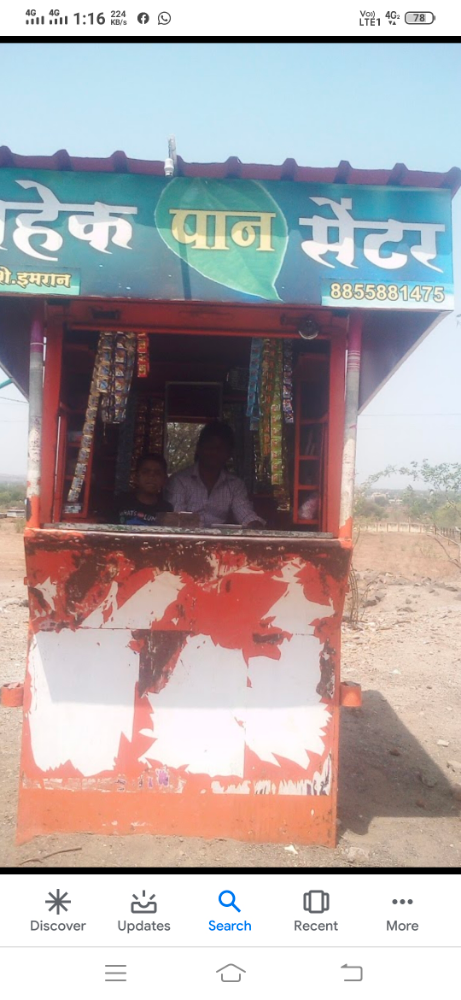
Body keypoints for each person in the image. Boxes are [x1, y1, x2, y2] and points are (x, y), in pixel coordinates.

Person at [166, 420, 265, 529]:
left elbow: (245, 514)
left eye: (220, 448)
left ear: (229, 453)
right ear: (199, 448)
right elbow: (177, 517)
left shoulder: (235, 485)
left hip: (219, 543)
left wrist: (255, 524)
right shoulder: (180, 480)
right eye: (210, 447)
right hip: (186, 540)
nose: (214, 452)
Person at [114, 453, 173, 525]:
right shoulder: (121, 501)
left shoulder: (166, 509)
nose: (151, 476)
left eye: (157, 473)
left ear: (164, 480)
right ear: (136, 477)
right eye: (146, 472)